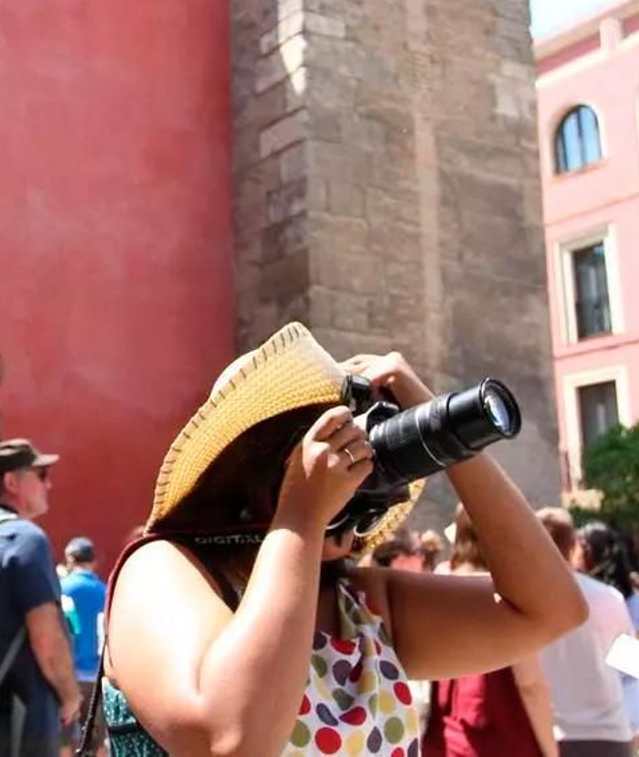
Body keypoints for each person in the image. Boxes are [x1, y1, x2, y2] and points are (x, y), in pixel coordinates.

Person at [100, 323, 586, 756]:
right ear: (251, 468)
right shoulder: (162, 569)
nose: (353, 470)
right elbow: (231, 739)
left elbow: (551, 610)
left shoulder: (365, 606)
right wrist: (302, 514)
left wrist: (440, 429)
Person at [0, 439, 78, 757]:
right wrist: (70, 695)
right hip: (24, 718)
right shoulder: (23, 538)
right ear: (11, 482)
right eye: (40, 475)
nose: (48, 484)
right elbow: (46, 636)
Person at [423, 504, 555, 757]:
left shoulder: (436, 585)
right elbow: (530, 683)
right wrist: (550, 749)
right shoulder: (508, 591)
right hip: (500, 737)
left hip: (445, 736)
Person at [536, 508, 632, 757]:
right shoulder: (609, 598)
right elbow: (627, 663)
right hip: (609, 733)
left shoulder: (525, 602)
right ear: (574, 546)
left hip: (548, 735)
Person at [573, 522, 639, 749]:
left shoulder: (585, 597)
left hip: (594, 705)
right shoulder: (632, 597)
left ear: (586, 552)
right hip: (629, 696)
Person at [60, 537, 107, 756]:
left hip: (68, 676)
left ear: (70, 559)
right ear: (93, 561)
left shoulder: (61, 588)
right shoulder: (105, 590)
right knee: (97, 740)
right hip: (98, 676)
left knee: (65, 738)